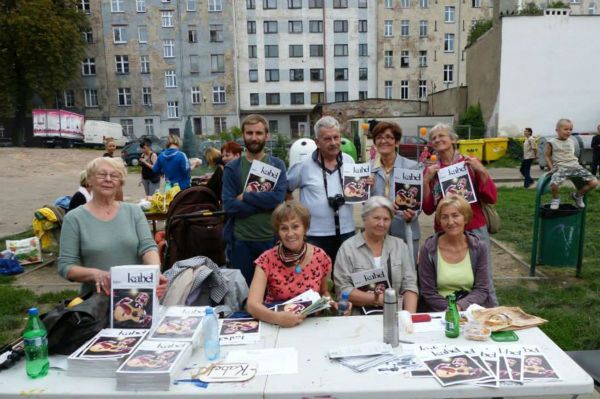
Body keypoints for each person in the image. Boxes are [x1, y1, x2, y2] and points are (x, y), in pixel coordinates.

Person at [58, 157, 168, 297]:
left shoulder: (133, 211)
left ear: (120, 183)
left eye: (114, 175)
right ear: (89, 180)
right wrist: (96, 274)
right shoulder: (74, 218)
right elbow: (66, 266)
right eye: (102, 174)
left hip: (137, 297)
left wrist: (154, 272)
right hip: (96, 302)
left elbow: (147, 247)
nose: (108, 179)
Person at [422, 123, 498, 306]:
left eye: (442, 136)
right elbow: (428, 208)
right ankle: (449, 309)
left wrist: (480, 170)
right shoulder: (432, 170)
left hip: (474, 227)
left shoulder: (469, 163)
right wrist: (426, 180)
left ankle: (492, 312)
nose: (438, 140)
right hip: (445, 229)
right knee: (445, 275)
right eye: (434, 138)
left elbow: (491, 197)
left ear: (453, 139)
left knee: (483, 278)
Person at [247, 201, 346, 327]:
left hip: (311, 325)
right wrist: (278, 319)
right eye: (284, 228)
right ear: (278, 232)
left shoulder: (321, 256)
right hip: (275, 324)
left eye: (295, 226)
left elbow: (324, 292)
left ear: (305, 228)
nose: (290, 234)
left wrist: (331, 303)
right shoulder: (266, 259)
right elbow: (252, 305)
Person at [222, 114, 287, 286]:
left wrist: (246, 196)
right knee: (244, 295)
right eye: (249, 133)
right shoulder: (232, 168)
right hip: (241, 243)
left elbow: (277, 198)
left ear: (267, 135)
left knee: (271, 293)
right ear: (243, 135)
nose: (254, 138)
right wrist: (264, 204)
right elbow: (228, 205)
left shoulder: (276, 165)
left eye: (258, 133)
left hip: (270, 241)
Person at [287, 116, 356, 264]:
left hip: (346, 232)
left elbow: (359, 192)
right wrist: (295, 213)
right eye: (327, 139)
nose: (333, 143)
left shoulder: (349, 161)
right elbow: (286, 189)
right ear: (317, 142)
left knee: (345, 279)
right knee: (316, 281)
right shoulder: (303, 165)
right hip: (315, 235)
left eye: (336, 137)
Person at [334, 196, 418, 313]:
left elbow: (409, 285)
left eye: (386, 219)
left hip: (395, 315)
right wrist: (378, 299)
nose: (381, 224)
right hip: (358, 317)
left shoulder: (400, 246)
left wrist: (409, 316)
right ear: (365, 218)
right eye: (376, 218)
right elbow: (342, 290)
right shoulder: (348, 248)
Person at [418, 195, 495, 312]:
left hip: (471, 309)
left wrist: (458, 307)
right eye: (444, 217)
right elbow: (428, 292)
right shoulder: (428, 249)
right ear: (440, 221)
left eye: (455, 216)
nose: (450, 222)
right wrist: (450, 310)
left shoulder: (479, 247)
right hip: (438, 311)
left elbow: (482, 289)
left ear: (465, 218)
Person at [371, 121, 422, 266]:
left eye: (389, 137)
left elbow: (418, 202)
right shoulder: (368, 169)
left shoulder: (412, 167)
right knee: (382, 276)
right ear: (375, 142)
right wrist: (368, 190)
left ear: (397, 142)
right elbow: (365, 204)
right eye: (379, 137)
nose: (383, 141)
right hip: (378, 233)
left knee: (408, 275)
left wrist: (413, 215)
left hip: (406, 231)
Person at [544, 118, 598, 210]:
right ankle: (556, 199)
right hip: (561, 167)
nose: (569, 132)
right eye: (566, 129)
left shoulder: (571, 141)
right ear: (557, 130)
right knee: (553, 185)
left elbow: (571, 155)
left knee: (594, 182)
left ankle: (577, 195)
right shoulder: (552, 142)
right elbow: (547, 155)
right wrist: (551, 168)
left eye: (570, 129)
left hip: (575, 167)